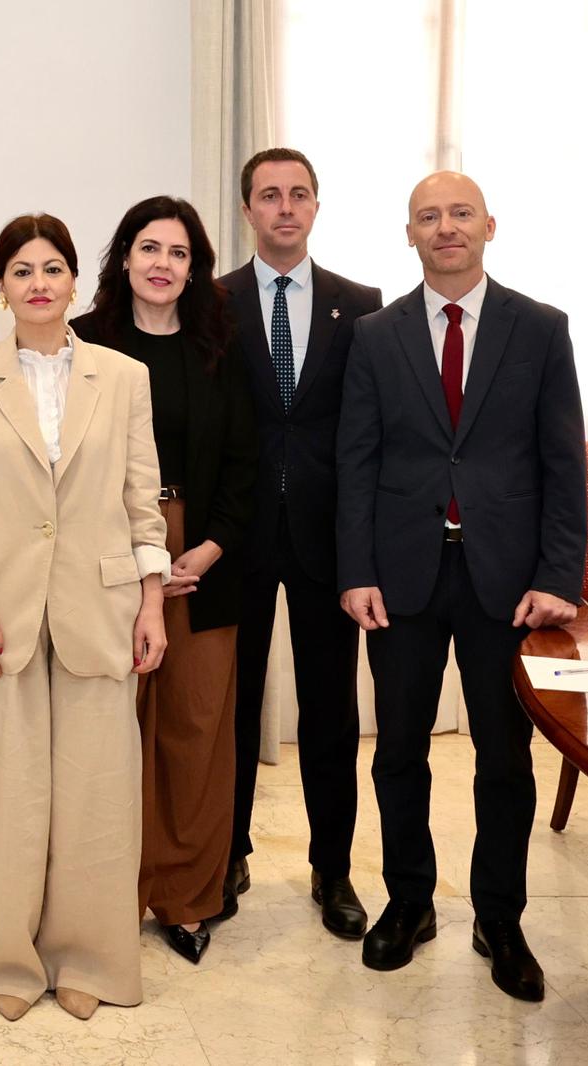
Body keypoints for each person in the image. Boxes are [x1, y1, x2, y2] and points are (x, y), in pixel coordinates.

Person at [336, 171, 586, 1002]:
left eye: (460, 214)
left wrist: (558, 577)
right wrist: (355, 571)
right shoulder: (376, 336)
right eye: (429, 217)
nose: (446, 228)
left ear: (489, 226)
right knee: (399, 752)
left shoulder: (541, 329)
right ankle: (409, 902)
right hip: (401, 577)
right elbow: (357, 463)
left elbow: (563, 464)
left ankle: (499, 918)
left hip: (506, 583)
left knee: (504, 758)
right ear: (409, 233)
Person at [0, 214, 169, 1023]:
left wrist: (151, 603)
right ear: (0, 289)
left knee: (97, 796)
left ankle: (91, 959)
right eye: (21, 270)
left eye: (54, 268)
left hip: (100, 609)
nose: (38, 283)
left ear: (76, 283)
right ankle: (0, 956)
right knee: (2, 793)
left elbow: (146, 504)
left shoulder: (125, 376)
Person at [73, 196, 256, 964]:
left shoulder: (223, 345)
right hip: (107, 558)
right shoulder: (82, 343)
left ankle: (187, 897)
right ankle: (106, 893)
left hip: (202, 559)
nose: (161, 265)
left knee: (195, 731)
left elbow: (250, 461)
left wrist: (205, 549)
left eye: (178, 253)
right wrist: (137, 560)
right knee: (109, 733)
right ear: (123, 256)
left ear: (195, 268)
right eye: (148, 248)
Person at [219, 148, 382, 937]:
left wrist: (366, 548)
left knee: (330, 713)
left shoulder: (362, 305)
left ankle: (334, 868)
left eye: (299, 195)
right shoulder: (211, 302)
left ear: (316, 207)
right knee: (232, 708)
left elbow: (369, 435)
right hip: (237, 537)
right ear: (247, 209)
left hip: (328, 542)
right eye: (269, 195)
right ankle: (227, 853)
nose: (285, 208)